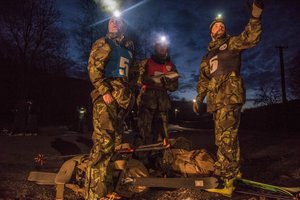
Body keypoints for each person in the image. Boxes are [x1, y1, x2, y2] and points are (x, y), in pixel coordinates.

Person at [193, 0, 263, 197]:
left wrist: (255, 17)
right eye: (216, 25)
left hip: (230, 95)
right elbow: (204, 79)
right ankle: (235, 171)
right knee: (225, 138)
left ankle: (226, 180)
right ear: (211, 32)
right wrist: (199, 98)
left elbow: (250, 38)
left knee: (226, 139)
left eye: (222, 25)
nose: (220, 26)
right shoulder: (207, 56)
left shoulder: (231, 43)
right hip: (216, 101)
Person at [85, 15, 136, 199]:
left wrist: (130, 97)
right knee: (103, 144)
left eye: (119, 20)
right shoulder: (103, 42)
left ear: (124, 26)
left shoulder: (128, 49)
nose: (114, 22)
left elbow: (131, 75)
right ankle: (93, 195)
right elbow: (93, 68)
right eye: (111, 20)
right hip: (106, 99)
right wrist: (104, 90)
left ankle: (106, 190)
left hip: (121, 101)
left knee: (115, 146)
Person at [135, 36, 179, 149]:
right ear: (155, 47)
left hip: (163, 104)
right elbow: (137, 79)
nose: (162, 48)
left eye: (164, 46)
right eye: (160, 45)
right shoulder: (146, 62)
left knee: (161, 133)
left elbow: (175, 86)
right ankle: (142, 157)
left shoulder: (171, 66)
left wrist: (167, 83)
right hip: (147, 101)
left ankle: (158, 159)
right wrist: (149, 79)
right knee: (143, 131)